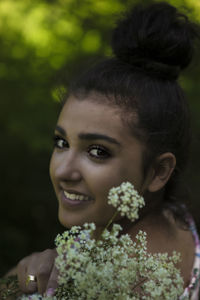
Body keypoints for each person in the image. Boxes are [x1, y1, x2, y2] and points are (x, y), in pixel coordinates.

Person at [5, 2, 200, 299]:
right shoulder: (176, 220)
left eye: (97, 151)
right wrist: (24, 276)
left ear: (159, 171)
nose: (63, 171)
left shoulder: (98, 287)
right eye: (62, 143)